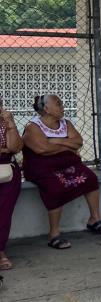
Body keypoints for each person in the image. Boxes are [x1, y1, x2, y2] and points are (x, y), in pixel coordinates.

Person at [22, 94, 101, 249]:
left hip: (66, 164)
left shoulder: (65, 123)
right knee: (55, 189)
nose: (63, 107)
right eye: (59, 104)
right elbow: (42, 149)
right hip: (42, 167)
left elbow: (78, 142)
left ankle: (94, 219)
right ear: (47, 109)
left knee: (90, 178)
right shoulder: (33, 127)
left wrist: (56, 140)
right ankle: (54, 234)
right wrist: (66, 146)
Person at [0, 107, 22, 270]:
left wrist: (11, 123)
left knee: (3, 212)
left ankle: (0, 251)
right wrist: (4, 149)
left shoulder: (5, 120)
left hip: (6, 169)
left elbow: (15, 147)